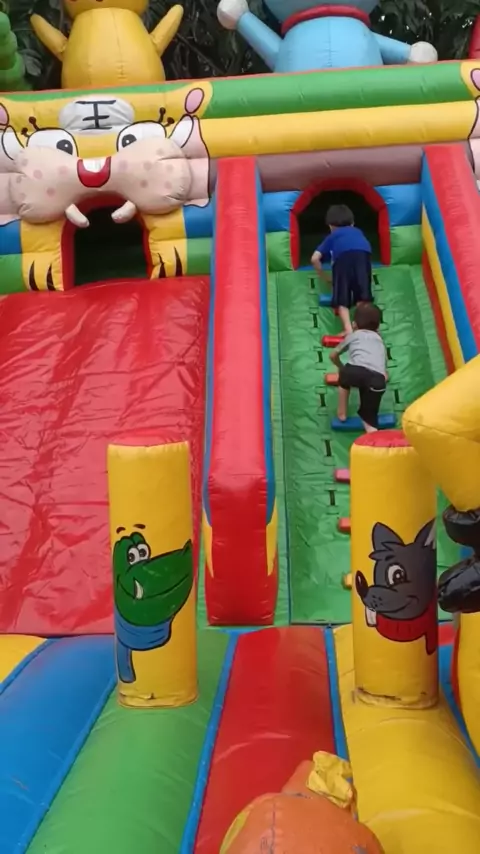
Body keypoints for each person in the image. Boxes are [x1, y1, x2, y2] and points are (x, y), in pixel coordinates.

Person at [311, 204, 373, 335]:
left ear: (330, 226)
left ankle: (348, 328)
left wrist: (325, 276)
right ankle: (362, 326)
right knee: (362, 293)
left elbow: (314, 258)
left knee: (341, 295)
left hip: (343, 256)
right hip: (364, 254)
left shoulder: (333, 236)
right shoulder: (358, 232)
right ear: (352, 223)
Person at [329, 303, 387, 433]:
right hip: (377, 381)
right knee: (369, 418)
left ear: (354, 325)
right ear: (378, 327)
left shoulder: (353, 336)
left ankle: (342, 413)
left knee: (345, 378)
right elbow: (383, 361)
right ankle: (371, 431)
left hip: (354, 372)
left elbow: (333, 355)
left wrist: (341, 367)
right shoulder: (379, 340)